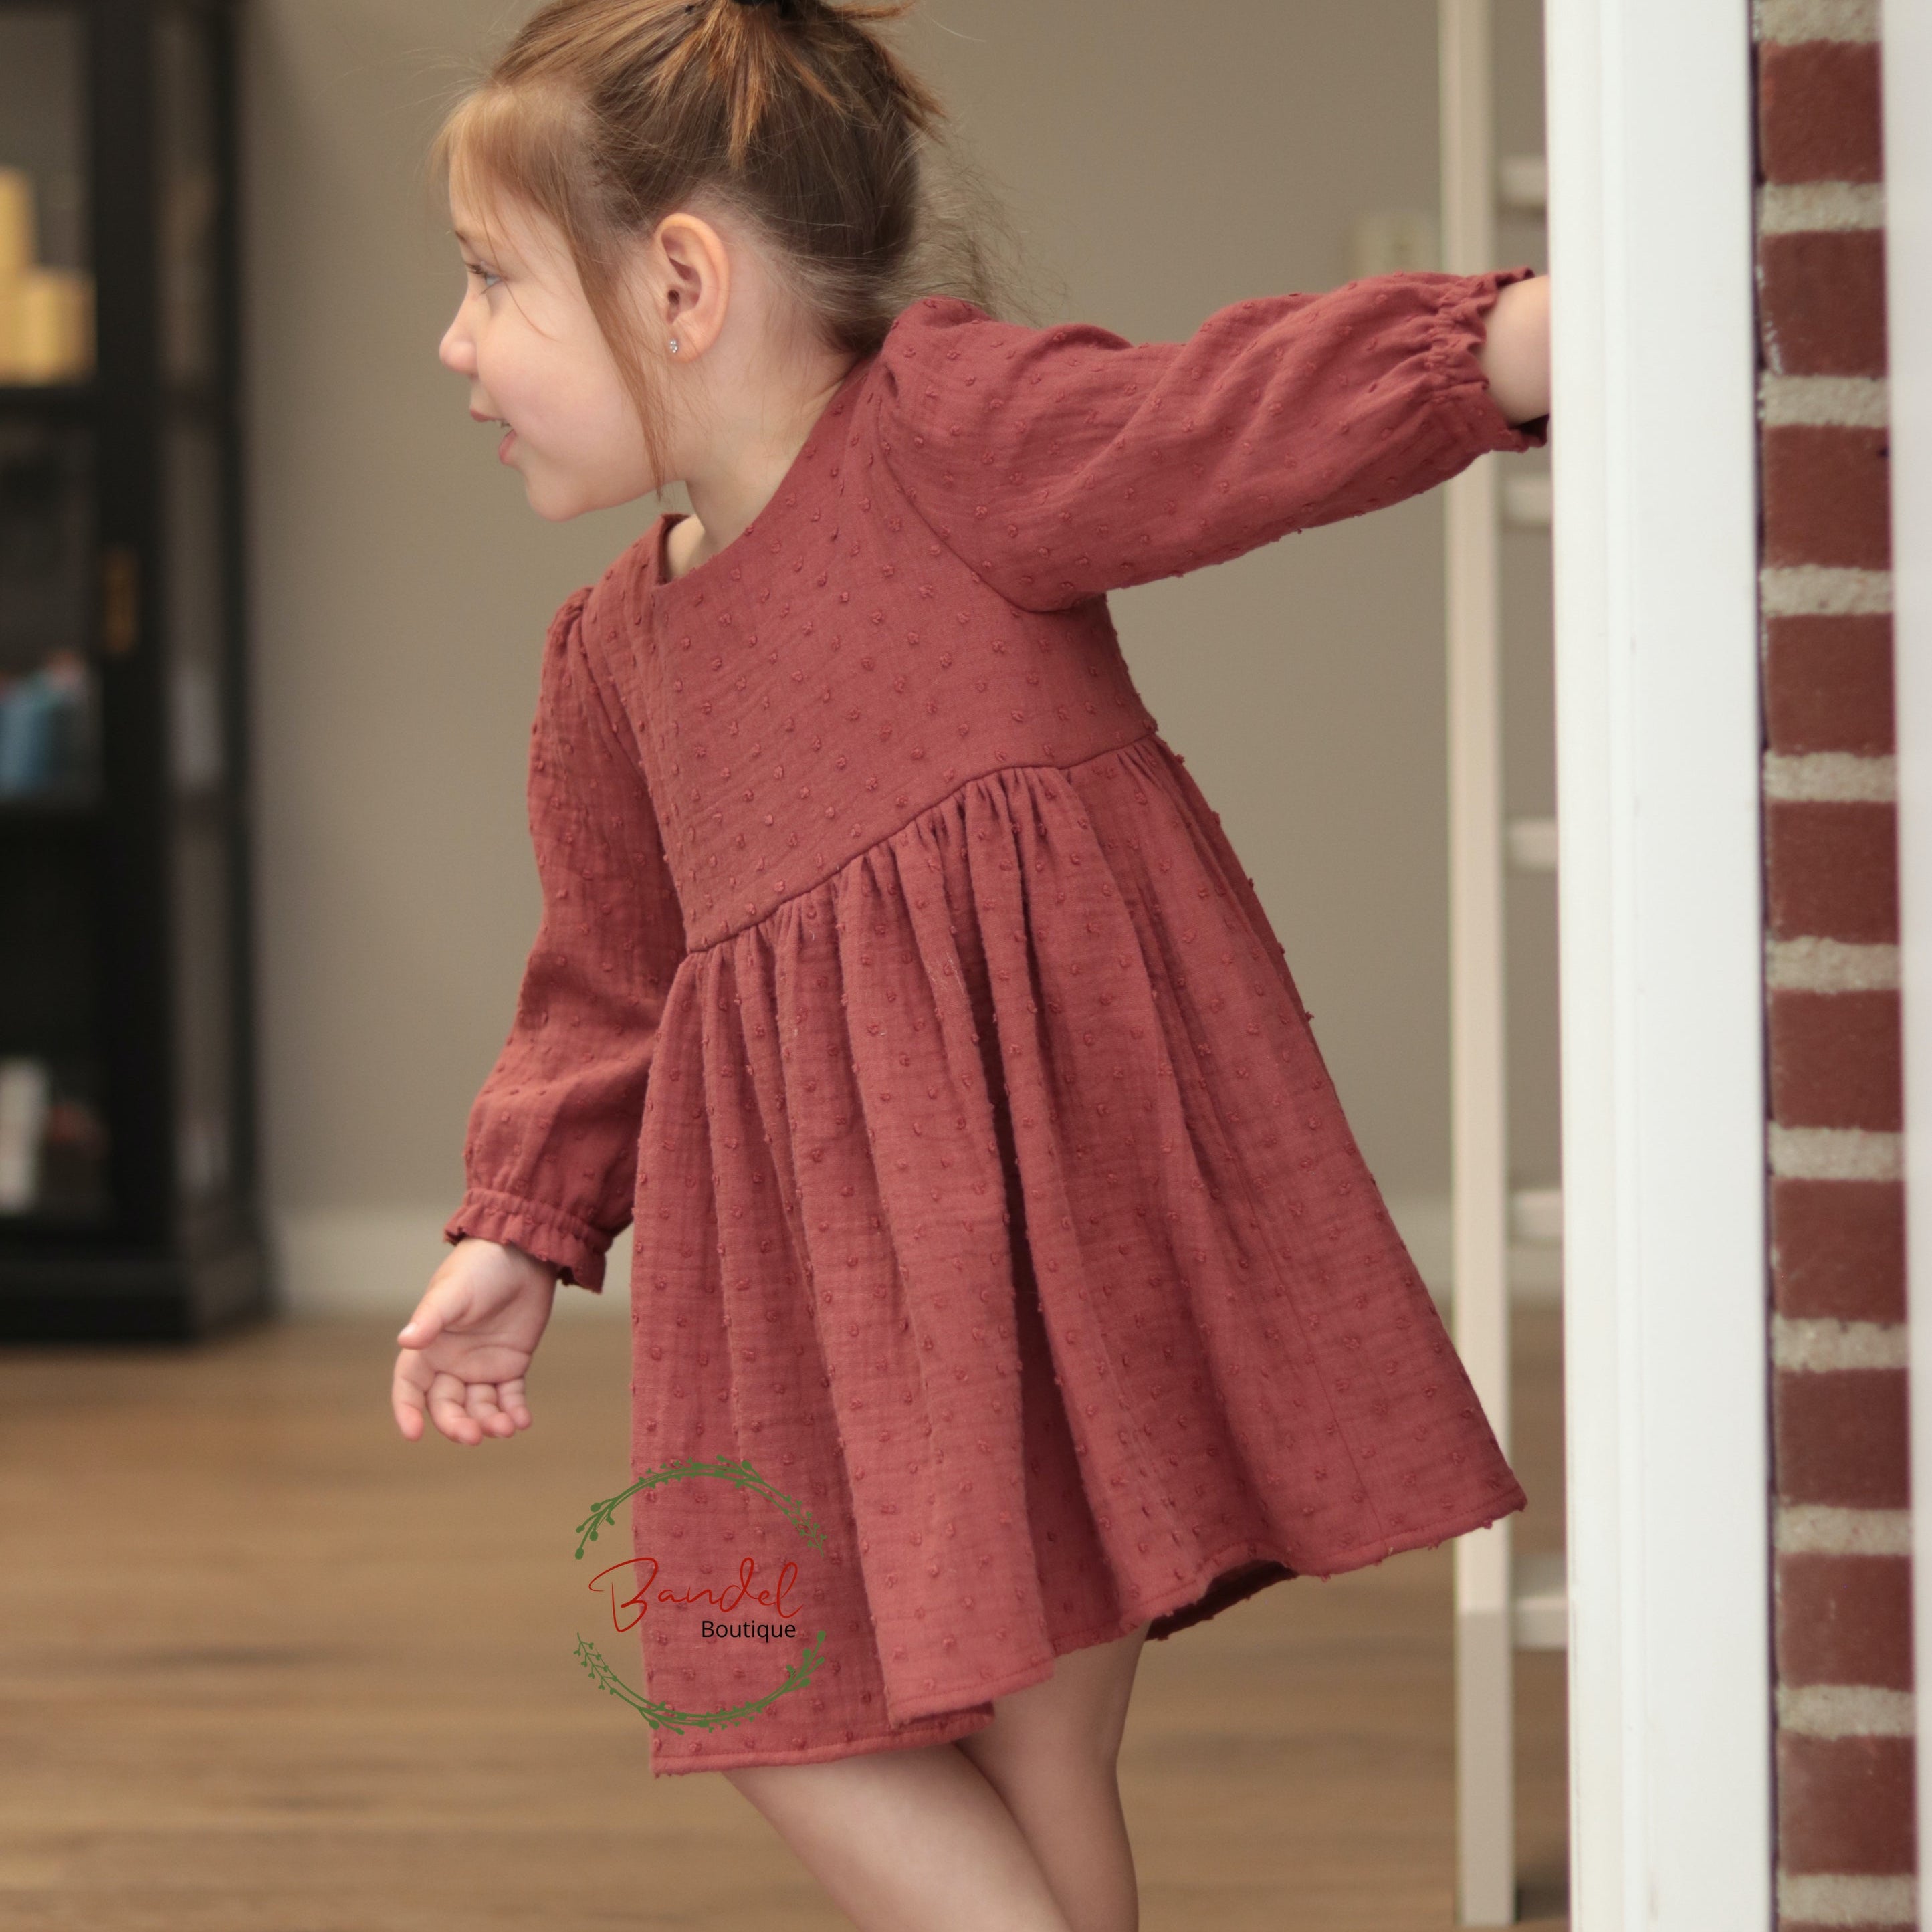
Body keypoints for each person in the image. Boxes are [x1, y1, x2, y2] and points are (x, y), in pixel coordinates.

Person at [389, 2, 1552, 1926]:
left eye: (488, 283)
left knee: (1032, 1739)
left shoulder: (949, 439)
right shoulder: (607, 660)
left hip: (1044, 1217)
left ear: (679, 280)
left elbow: (1210, 412)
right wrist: (519, 1223)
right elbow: (610, 978)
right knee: (752, 1674)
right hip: (805, 1276)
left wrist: (1504, 343)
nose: (455, 345)